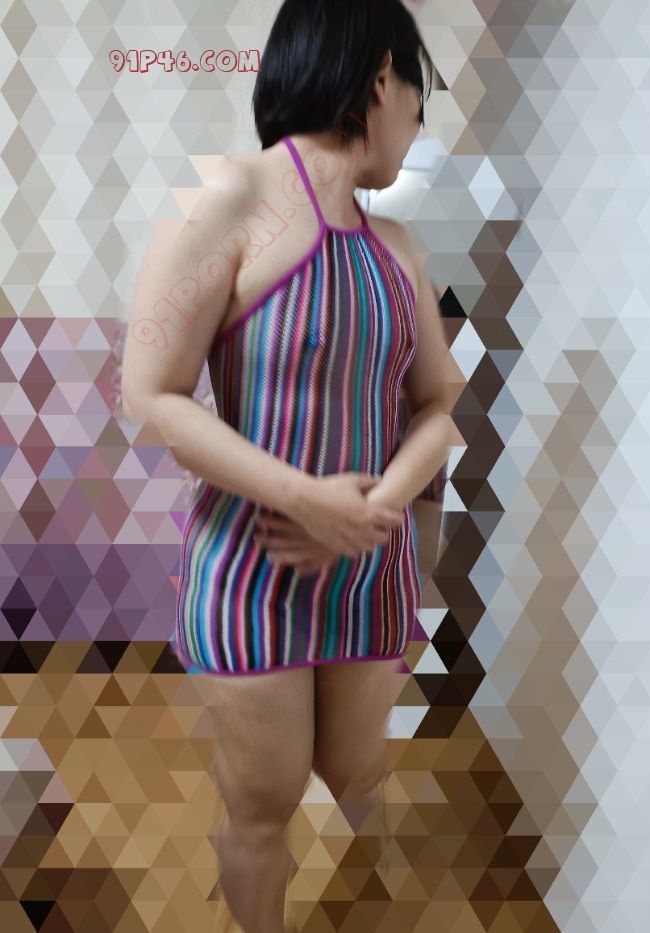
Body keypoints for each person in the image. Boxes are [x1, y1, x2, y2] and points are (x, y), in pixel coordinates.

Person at [120, 0, 453, 929]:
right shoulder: (230, 195)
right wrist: (308, 499)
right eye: (419, 103)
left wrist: (376, 506)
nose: (414, 128)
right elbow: (151, 391)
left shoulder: (397, 247)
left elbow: (437, 404)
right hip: (255, 570)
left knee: (355, 769)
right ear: (381, 78)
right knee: (262, 805)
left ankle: (389, 897)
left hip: (368, 567)